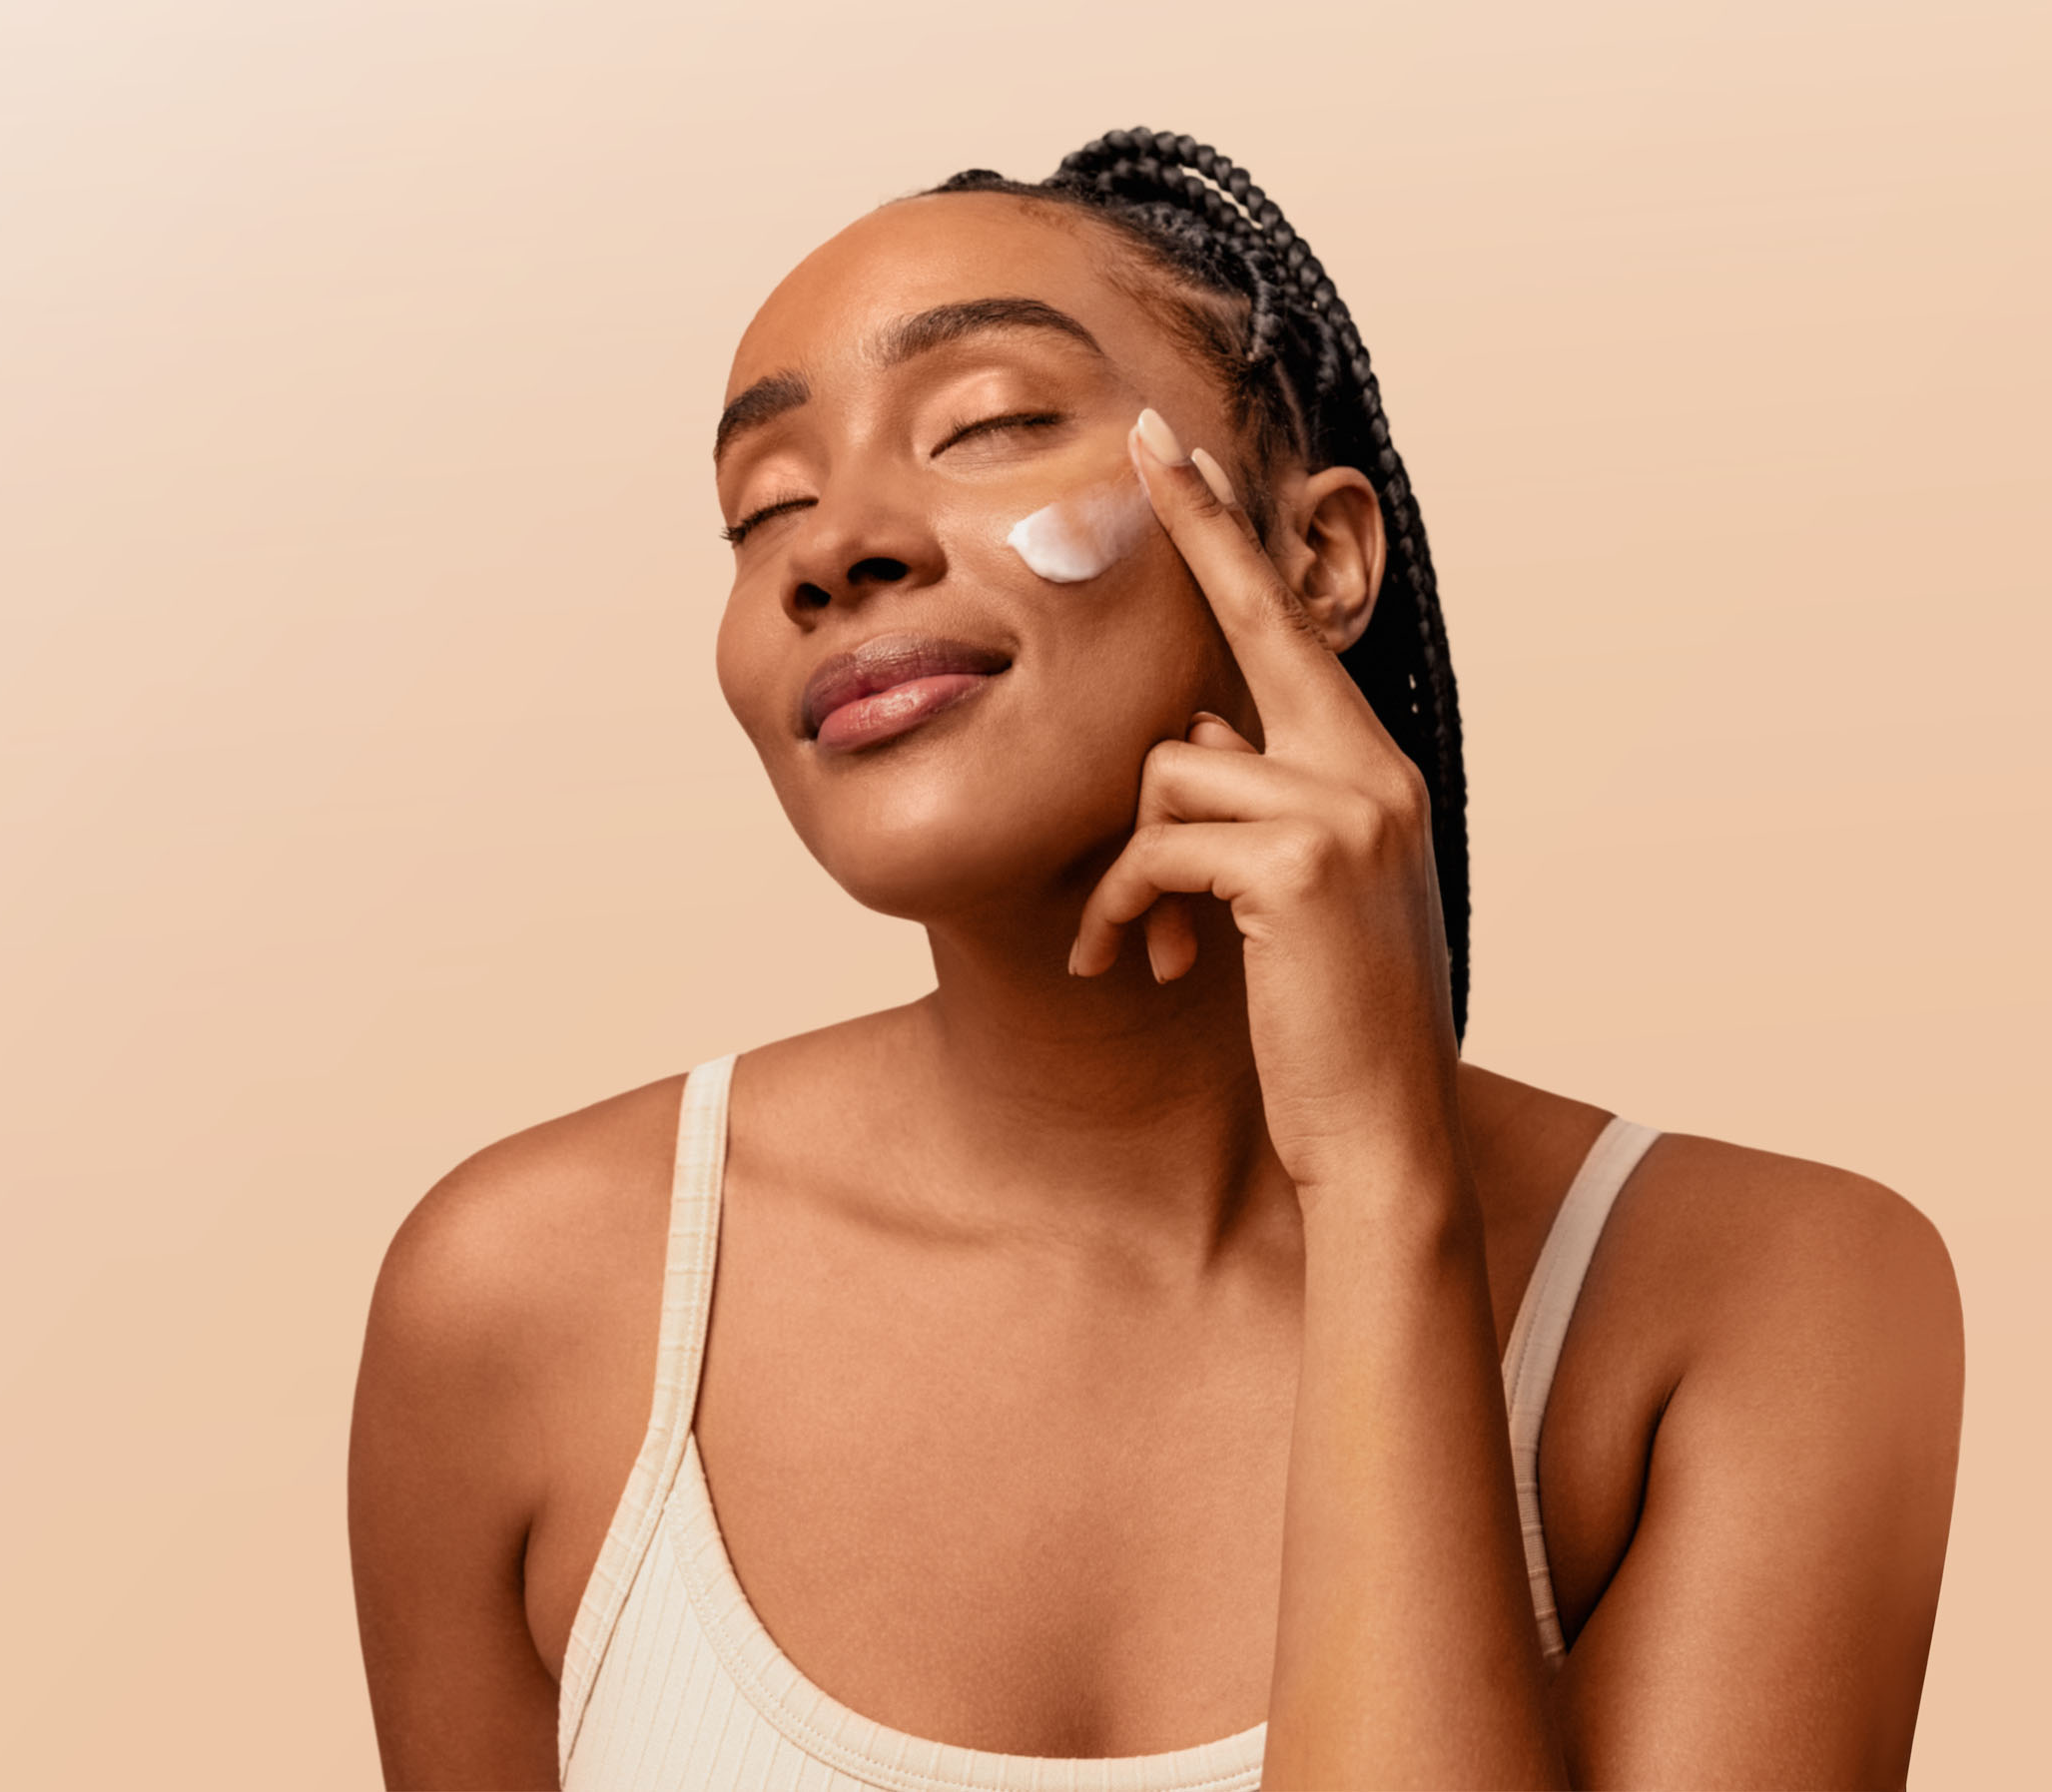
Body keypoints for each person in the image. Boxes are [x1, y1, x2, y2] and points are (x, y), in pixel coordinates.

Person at [347, 128, 1964, 1791]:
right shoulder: (524, 1304)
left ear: (1316, 556)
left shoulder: (1769, 1299)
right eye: (764, 512)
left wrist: (1380, 1189)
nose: (833, 546)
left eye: (987, 422)